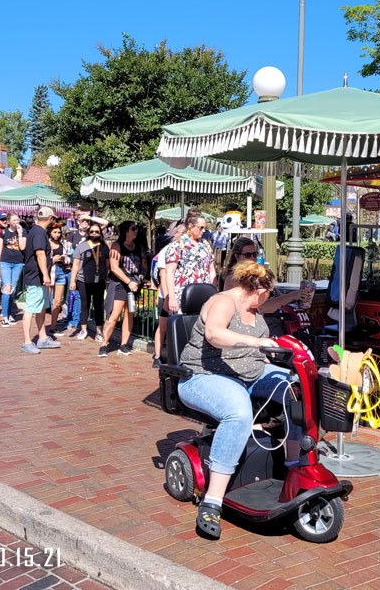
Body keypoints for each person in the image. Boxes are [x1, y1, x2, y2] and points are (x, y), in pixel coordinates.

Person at [176, 263, 301, 540]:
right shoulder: (222, 301)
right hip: (203, 376)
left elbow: (257, 350)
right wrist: (256, 344)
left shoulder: (255, 308)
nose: (270, 296)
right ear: (258, 290)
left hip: (250, 373)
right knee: (239, 412)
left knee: (297, 389)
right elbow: (215, 334)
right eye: (270, 292)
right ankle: (212, 502)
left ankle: (295, 468)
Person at [98, 220, 144, 357]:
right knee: (115, 315)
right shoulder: (116, 246)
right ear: (126, 231)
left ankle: (124, 344)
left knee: (130, 313)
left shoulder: (137, 246)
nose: (136, 231)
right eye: (133, 228)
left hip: (134, 284)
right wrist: (128, 281)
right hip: (120, 284)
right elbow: (114, 267)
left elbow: (143, 264)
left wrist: (140, 278)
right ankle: (104, 343)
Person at [20, 207, 60, 354]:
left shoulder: (37, 231)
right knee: (31, 308)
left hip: (38, 277)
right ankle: (26, 342)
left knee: (42, 308)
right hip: (36, 277)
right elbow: (40, 254)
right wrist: (45, 275)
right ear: (50, 219)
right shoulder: (39, 233)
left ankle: (42, 338)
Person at [164, 209, 216, 316]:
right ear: (191, 226)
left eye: (204, 228)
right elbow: (170, 272)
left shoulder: (205, 245)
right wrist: (172, 298)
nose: (203, 231)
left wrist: (213, 292)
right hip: (183, 296)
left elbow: (211, 270)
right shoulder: (178, 245)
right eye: (201, 228)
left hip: (204, 295)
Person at [152, 222, 186, 368]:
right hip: (167, 295)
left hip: (182, 296)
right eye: (184, 232)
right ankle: (158, 355)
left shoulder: (188, 249)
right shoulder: (166, 250)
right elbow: (164, 275)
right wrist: (168, 297)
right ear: (176, 234)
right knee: (164, 326)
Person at [69, 221, 109, 341]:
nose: (94, 233)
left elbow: (107, 264)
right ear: (88, 233)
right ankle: (83, 330)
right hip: (83, 280)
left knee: (98, 306)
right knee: (84, 305)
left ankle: (99, 332)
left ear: (100, 233)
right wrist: (72, 281)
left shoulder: (104, 247)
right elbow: (75, 264)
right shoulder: (82, 246)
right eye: (92, 231)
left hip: (99, 280)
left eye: (97, 231)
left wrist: (106, 277)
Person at [0, 213, 27, 327]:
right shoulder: (3, 233)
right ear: (8, 222)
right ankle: (4, 316)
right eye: (14, 220)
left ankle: (10, 313)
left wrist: (19, 233)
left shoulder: (23, 232)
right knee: (7, 287)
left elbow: (23, 247)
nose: (16, 222)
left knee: (12, 289)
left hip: (18, 262)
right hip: (5, 262)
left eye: (17, 219)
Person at [47, 222, 71, 334]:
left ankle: (53, 327)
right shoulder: (46, 243)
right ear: (50, 232)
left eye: (59, 233)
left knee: (57, 302)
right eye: (55, 232)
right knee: (45, 300)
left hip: (61, 271)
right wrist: (52, 259)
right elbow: (41, 259)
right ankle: (41, 326)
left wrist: (64, 258)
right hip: (49, 271)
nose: (57, 234)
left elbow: (68, 258)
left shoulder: (63, 244)